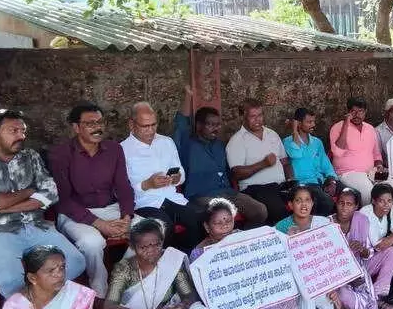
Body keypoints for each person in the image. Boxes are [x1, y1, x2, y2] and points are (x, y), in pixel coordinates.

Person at [0, 109, 85, 298]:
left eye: (23, 131)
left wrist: (4, 205)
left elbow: (50, 193)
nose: (21, 136)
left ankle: (40, 300)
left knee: (76, 262)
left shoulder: (30, 157)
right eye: (13, 131)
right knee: (12, 282)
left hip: (37, 225)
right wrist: (30, 190)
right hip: (0, 230)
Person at [49, 102, 135, 298]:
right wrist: (100, 224)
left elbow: (123, 186)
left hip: (110, 209)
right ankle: (100, 292)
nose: (98, 127)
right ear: (76, 127)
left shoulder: (114, 149)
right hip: (75, 214)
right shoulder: (61, 154)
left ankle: (120, 276)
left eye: (100, 122)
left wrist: (127, 217)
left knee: (148, 228)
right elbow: (64, 199)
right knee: (92, 242)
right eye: (90, 124)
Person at [172, 85, 268, 228]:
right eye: (211, 125)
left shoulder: (219, 145)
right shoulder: (188, 144)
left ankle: (242, 241)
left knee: (260, 211)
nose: (216, 129)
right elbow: (181, 123)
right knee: (219, 214)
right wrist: (188, 96)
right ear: (199, 125)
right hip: (201, 196)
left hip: (228, 193)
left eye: (218, 125)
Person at [121, 102, 203, 252]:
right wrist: (147, 184)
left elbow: (181, 173)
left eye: (154, 125)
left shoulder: (166, 142)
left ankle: (190, 259)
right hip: (144, 203)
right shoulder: (122, 150)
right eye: (145, 126)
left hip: (171, 197)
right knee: (164, 227)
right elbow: (120, 190)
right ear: (131, 125)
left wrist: (177, 178)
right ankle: (164, 265)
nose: (151, 130)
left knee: (198, 217)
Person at [275, 185, 346, 309]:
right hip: (295, 275)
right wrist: (288, 240)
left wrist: (332, 283)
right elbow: (277, 256)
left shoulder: (322, 222)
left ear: (313, 203)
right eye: (298, 201)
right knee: (304, 289)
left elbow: (332, 254)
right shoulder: (281, 227)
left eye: (307, 200)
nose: (303, 205)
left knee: (320, 288)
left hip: (321, 273)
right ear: (290, 205)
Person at [330, 188, 393, 309]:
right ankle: (373, 305)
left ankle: (376, 296)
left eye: (349, 204)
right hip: (339, 275)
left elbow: (369, 253)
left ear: (356, 206)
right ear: (336, 203)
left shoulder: (361, 220)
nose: (344, 207)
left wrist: (362, 250)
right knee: (343, 295)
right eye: (341, 203)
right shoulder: (327, 223)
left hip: (361, 266)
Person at [226, 99, 294, 225]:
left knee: (310, 199)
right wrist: (263, 164)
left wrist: (291, 181)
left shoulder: (272, 134)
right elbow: (236, 174)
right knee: (280, 213)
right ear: (243, 117)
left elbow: (285, 162)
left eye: (260, 115)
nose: (258, 120)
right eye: (253, 116)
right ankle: (290, 240)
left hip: (280, 186)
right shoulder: (237, 141)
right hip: (255, 189)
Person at [329, 97, 393, 207]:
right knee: (368, 192)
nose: (356, 115)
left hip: (371, 172)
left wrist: (379, 165)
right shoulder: (337, 127)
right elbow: (338, 152)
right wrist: (346, 124)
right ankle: (367, 219)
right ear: (348, 112)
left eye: (360, 111)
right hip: (348, 173)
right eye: (353, 111)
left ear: (365, 112)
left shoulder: (370, 129)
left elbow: (376, 154)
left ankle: (387, 219)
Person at [282, 107, 337, 216]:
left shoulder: (317, 142)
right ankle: (314, 229)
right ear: (298, 123)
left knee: (353, 193)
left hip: (319, 181)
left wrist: (332, 181)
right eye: (309, 122)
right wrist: (294, 131)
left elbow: (326, 165)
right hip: (302, 184)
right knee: (326, 202)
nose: (313, 125)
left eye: (313, 121)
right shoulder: (287, 142)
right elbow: (296, 154)